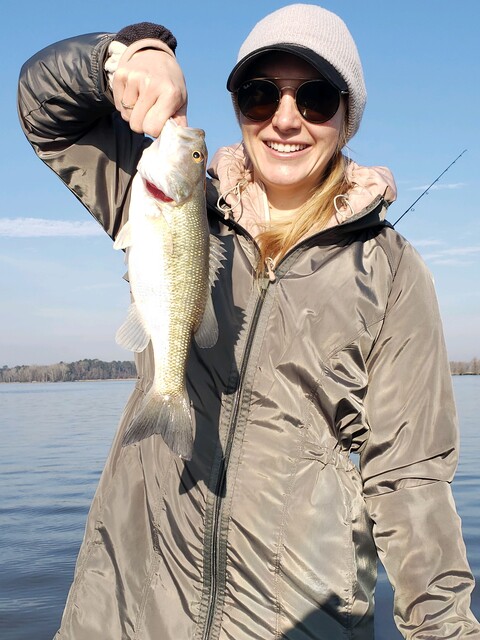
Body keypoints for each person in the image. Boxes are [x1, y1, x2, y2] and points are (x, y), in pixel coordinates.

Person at [17, 5, 480, 639]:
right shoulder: (176, 200)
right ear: (237, 105)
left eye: (315, 97)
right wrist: (131, 55)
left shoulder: (392, 274)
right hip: (127, 616)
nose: (285, 119)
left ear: (348, 118)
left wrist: (446, 629)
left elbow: (410, 481)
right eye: (261, 96)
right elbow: (44, 110)